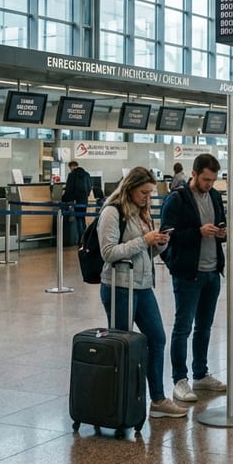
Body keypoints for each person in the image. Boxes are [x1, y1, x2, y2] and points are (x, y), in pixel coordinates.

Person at [97, 167, 185, 418]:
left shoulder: (142, 213)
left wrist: (157, 245)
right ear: (130, 188)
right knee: (123, 345)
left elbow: (143, 253)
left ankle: (157, 399)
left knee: (157, 339)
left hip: (144, 286)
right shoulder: (112, 213)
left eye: (150, 193)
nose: (148, 197)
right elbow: (109, 252)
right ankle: (120, 400)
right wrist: (144, 241)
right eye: (143, 192)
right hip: (120, 287)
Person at [161, 153, 228, 404]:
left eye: (213, 180)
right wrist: (198, 233)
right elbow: (167, 236)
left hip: (212, 272)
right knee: (183, 327)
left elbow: (221, 226)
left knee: (204, 326)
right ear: (194, 174)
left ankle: (200, 373)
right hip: (188, 274)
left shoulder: (215, 196)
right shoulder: (177, 200)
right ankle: (180, 378)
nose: (210, 184)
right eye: (206, 179)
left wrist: (221, 233)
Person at [61, 160, 91, 242]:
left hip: (76, 201)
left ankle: (80, 240)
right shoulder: (87, 174)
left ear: (71, 167)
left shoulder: (72, 175)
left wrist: (63, 199)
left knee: (78, 219)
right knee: (82, 218)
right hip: (84, 200)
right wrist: (86, 195)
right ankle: (85, 238)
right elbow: (89, 187)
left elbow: (69, 189)